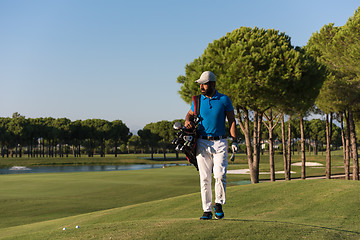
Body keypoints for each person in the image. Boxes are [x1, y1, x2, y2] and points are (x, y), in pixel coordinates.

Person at [184, 71, 238, 220]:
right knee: (205, 178)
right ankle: (206, 210)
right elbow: (189, 114)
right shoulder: (197, 101)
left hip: (220, 142)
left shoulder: (224, 100)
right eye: (200, 84)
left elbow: (232, 121)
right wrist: (187, 121)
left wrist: (234, 140)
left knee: (220, 175)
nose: (201, 86)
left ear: (212, 84)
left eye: (204, 84)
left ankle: (218, 203)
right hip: (201, 142)